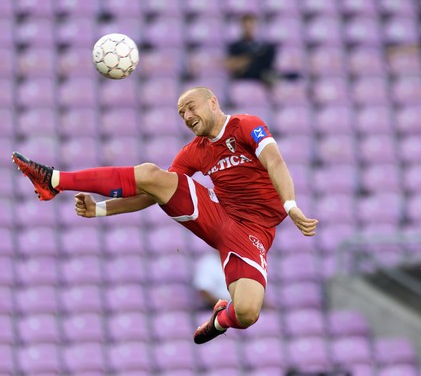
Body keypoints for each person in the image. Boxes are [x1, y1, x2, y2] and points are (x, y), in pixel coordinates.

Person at [12, 86, 318, 344]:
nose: (186, 116)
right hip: (220, 216)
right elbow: (154, 191)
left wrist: (290, 205)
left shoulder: (246, 125)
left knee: (248, 312)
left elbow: (275, 162)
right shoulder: (193, 152)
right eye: (181, 113)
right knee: (152, 174)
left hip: (254, 232)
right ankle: (54, 180)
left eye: (190, 107)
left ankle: (220, 319)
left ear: (213, 103)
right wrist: (101, 209)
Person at [225, 13, 278, 85]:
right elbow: (232, 66)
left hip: (261, 80)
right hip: (242, 80)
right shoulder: (235, 46)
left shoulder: (263, 47)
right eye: (246, 26)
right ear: (242, 27)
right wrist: (251, 56)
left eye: (251, 26)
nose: (249, 29)